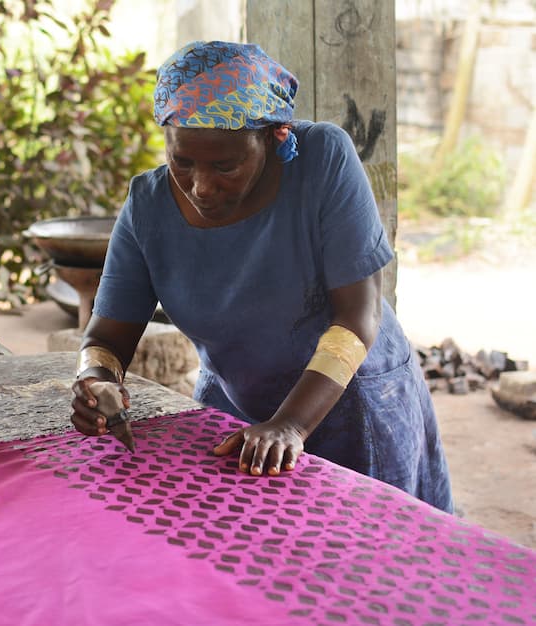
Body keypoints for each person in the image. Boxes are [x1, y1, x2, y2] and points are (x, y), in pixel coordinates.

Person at [69, 41, 453, 513]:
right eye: (182, 161)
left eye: (224, 166)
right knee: (245, 550)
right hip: (236, 404)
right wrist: (97, 379)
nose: (200, 186)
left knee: (360, 556)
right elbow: (107, 334)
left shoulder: (322, 161)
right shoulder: (148, 206)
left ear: (274, 137)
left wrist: (291, 424)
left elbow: (358, 315)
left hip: (348, 401)